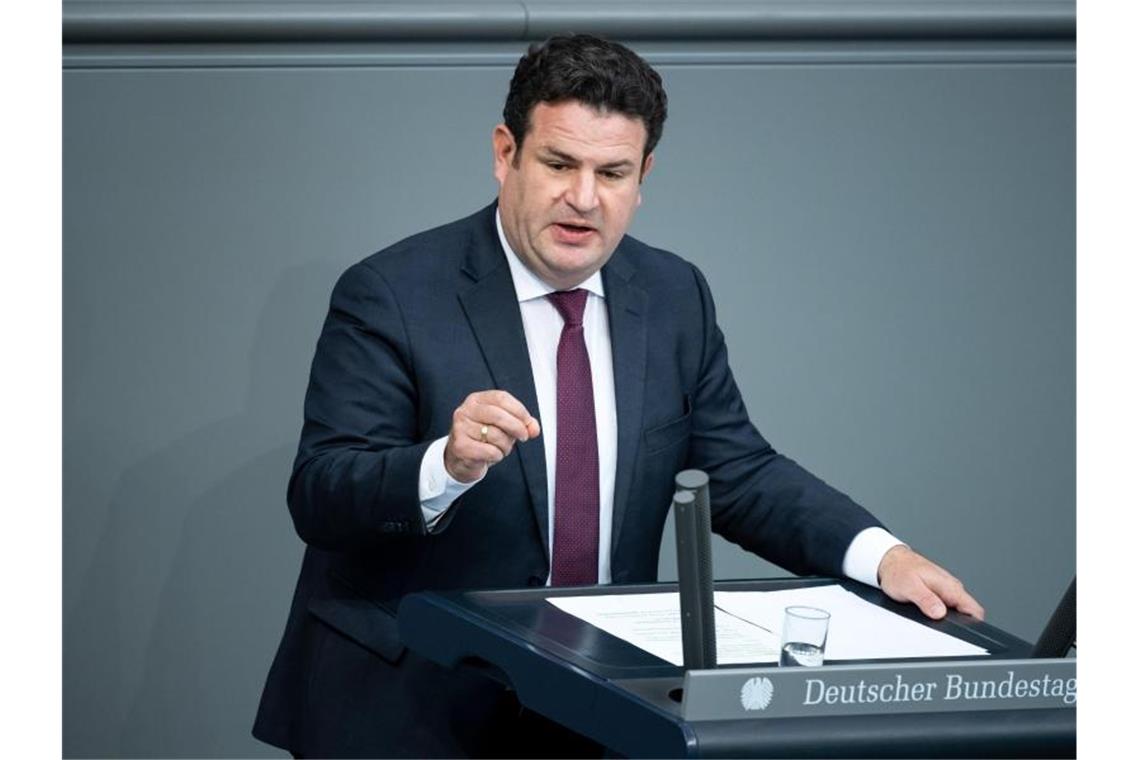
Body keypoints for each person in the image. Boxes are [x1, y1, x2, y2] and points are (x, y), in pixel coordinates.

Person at [253, 33, 984, 758]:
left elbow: (739, 472)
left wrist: (882, 556)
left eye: (612, 172)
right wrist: (445, 465)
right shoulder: (392, 293)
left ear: (644, 175)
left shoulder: (672, 295)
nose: (583, 198)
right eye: (559, 163)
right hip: (410, 710)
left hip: (594, 709)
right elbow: (320, 494)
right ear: (506, 153)